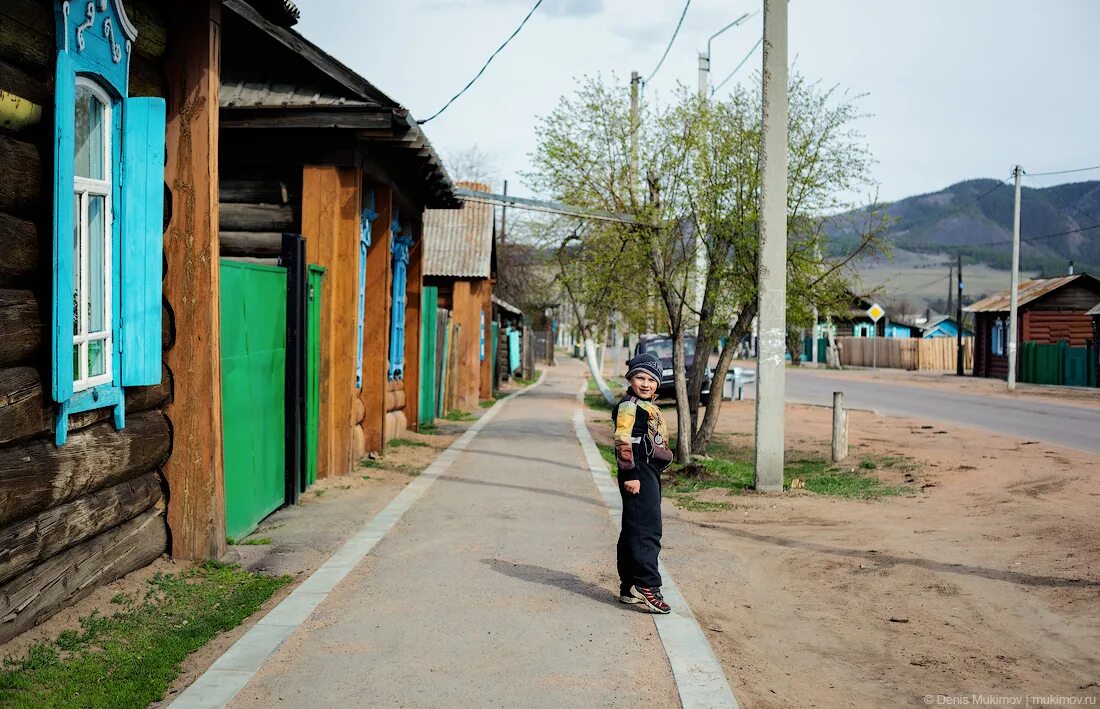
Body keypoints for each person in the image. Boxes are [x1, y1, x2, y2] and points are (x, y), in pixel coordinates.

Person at [612, 352, 673, 614]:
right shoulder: (629, 407)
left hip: (646, 469)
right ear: (630, 378)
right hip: (637, 471)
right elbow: (623, 442)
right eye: (640, 377)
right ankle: (648, 585)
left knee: (632, 529)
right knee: (648, 530)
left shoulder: (642, 404)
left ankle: (629, 585)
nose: (646, 383)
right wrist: (630, 476)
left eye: (651, 379)